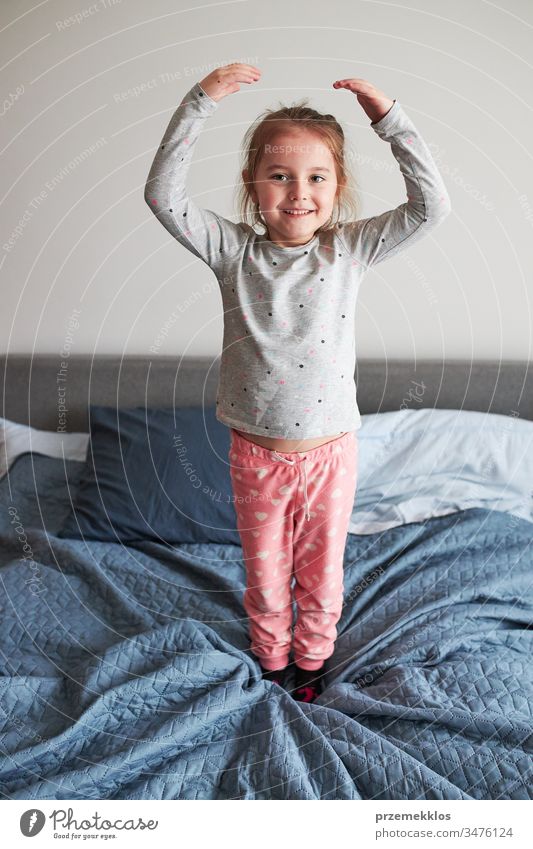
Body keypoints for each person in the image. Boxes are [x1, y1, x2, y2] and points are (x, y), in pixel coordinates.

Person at [144, 63, 451, 703]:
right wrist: (198, 103)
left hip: (330, 454)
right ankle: (273, 662)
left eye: (316, 177)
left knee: (322, 575)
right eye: (279, 176)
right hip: (257, 457)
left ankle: (312, 663)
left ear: (338, 189)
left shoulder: (350, 251)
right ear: (254, 187)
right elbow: (163, 195)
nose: (297, 192)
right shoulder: (233, 252)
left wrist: (390, 119)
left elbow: (432, 206)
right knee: (264, 572)